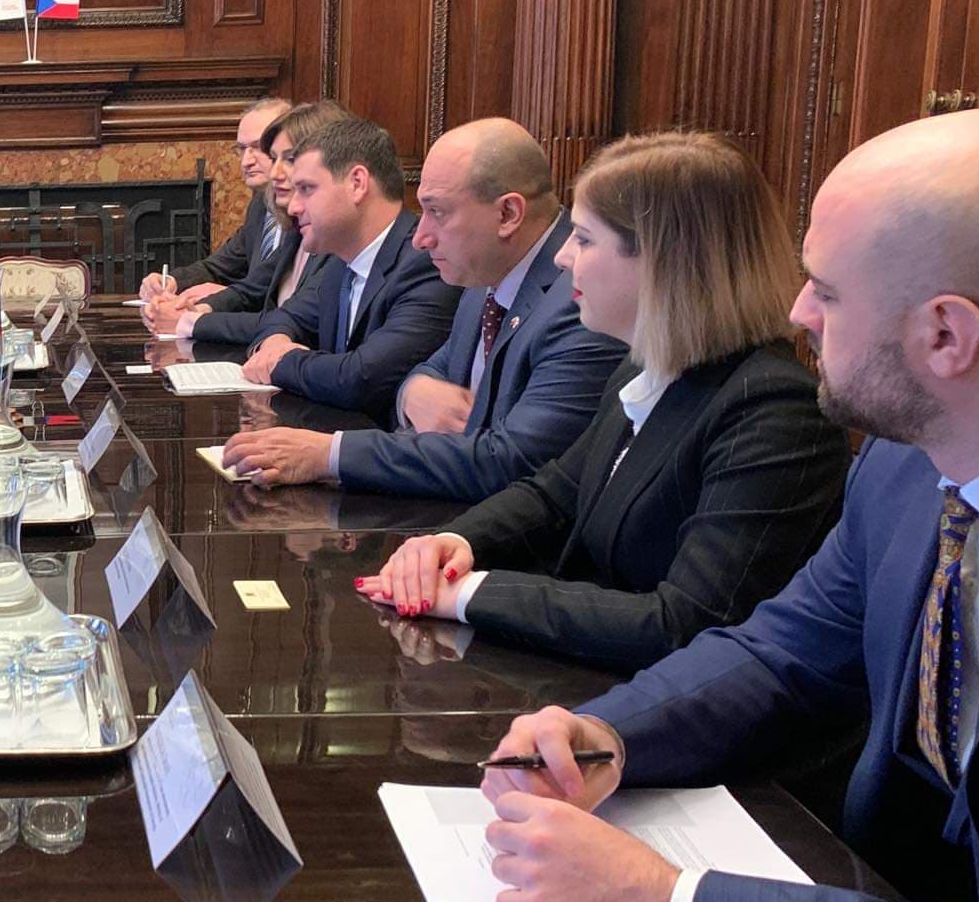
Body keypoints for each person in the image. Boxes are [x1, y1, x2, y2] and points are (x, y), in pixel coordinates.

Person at [471, 107, 979, 902]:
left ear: (946, 333)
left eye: (827, 291)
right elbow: (783, 650)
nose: (798, 313)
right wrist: (606, 735)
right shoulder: (904, 469)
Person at [361, 131, 848, 670]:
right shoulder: (643, 365)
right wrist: (452, 544)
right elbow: (556, 493)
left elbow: (685, 623)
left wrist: (467, 593)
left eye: (585, 239)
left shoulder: (774, 412)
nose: (563, 257)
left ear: (665, 261)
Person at [220, 118, 625, 500]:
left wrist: (330, 454)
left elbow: (513, 462)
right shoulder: (482, 274)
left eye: (437, 212)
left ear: (507, 214)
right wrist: (412, 390)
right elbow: (431, 368)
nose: (421, 237)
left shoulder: (581, 302)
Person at [238, 114, 460, 424]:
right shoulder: (341, 262)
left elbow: (361, 379)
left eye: (306, 189)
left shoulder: (425, 263)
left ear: (357, 184)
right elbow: (283, 317)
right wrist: (275, 342)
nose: (294, 206)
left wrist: (282, 361)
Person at [147, 100, 343, 346]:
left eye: (289, 159)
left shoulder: (338, 238)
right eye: (273, 157)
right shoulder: (285, 220)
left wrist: (188, 321)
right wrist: (197, 308)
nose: (275, 173)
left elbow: (294, 318)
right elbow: (252, 287)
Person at [140, 96, 290, 301]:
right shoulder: (260, 206)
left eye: (258, 147)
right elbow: (218, 267)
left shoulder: (304, 214)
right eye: (242, 149)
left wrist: (224, 297)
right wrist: (171, 281)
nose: (246, 161)